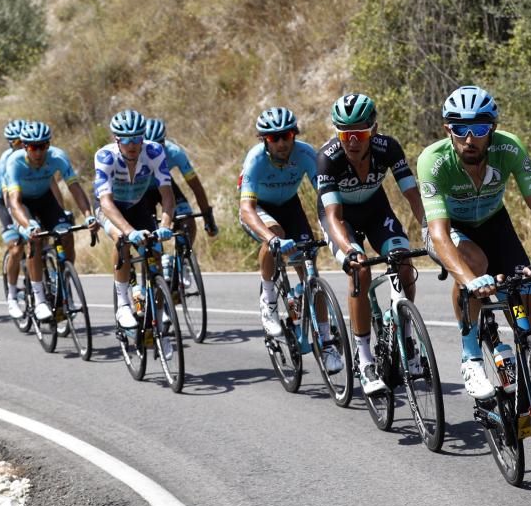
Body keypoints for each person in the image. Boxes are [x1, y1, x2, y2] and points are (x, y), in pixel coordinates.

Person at [418, 85, 531, 463]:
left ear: (493, 129)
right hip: (450, 230)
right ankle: (470, 357)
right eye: (460, 128)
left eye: (480, 129)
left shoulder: (509, 148)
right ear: (447, 129)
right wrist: (469, 280)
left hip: (494, 222)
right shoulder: (433, 161)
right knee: (475, 264)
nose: (470, 138)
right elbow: (438, 233)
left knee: (528, 314)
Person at [318, 93, 426, 395]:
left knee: (403, 262)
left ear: (373, 130)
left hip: (376, 210)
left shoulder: (388, 148)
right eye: (345, 134)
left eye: (360, 133)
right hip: (340, 219)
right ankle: (363, 357)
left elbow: (412, 195)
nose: (352, 141)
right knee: (360, 271)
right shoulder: (328, 158)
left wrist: (430, 231)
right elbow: (333, 216)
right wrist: (351, 250)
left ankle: (406, 334)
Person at [237, 107, 336, 373]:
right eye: (274, 138)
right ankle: (268, 300)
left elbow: (325, 196)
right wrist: (270, 238)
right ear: (264, 140)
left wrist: (334, 228)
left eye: (287, 135)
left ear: (294, 134)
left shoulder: (305, 153)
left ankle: (326, 342)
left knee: (309, 270)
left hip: (290, 206)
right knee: (276, 236)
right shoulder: (255, 160)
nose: (281, 142)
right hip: (259, 210)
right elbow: (246, 209)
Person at [94, 109, 176, 345]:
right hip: (110, 207)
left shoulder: (154, 151)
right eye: (126, 140)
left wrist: (165, 225)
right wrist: (130, 232)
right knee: (121, 239)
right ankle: (123, 303)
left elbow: (167, 196)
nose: (132, 145)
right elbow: (106, 203)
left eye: (137, 139)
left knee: (155, 253)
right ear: (116, 140)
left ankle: (157, 318)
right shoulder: (105, 156)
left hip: (137, 204)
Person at [4, 121, 98, 321]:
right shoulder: (14, 162)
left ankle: (64, 280)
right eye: (32, 147)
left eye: (43, 146)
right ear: (24, 146)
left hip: (45, 200)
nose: (38, 152)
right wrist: (28, 224)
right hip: (23, 204)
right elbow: (15, 202)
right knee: (35, 240)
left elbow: (75, 188)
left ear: (48, 145)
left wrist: (89, 214)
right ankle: (39, 300)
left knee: (66, 234)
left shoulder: (57, 157)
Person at [141, 117, 219, 243]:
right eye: (149, 147)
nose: (154, 152)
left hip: (165, 186)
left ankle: (184, 259)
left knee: (188, 222)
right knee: (149, 240)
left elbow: (196, 188)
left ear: (164, 142)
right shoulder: (133, 156)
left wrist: (208, 218)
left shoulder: (175, 153)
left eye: (159, 146)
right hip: (141, 191)